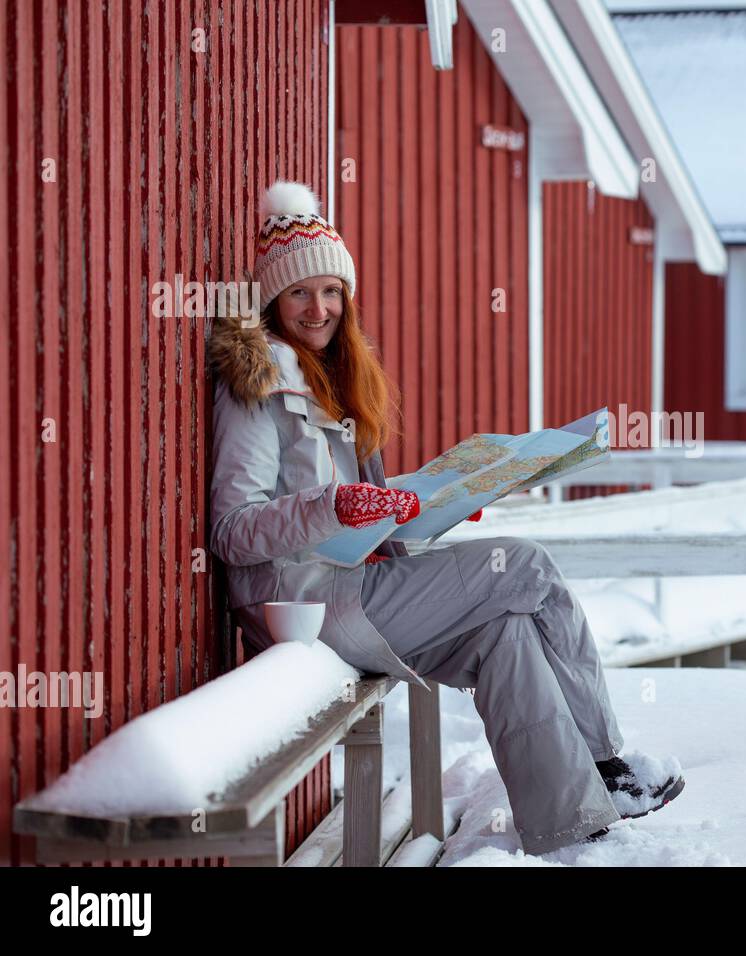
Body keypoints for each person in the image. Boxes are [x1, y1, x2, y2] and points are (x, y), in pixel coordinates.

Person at [207, 180, 684, 855]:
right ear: (274, 300)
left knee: (507, 632)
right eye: (300, 293)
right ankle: (608, 760)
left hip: (360, 590)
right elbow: (233, 530)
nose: (319, 308)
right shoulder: (258, 384)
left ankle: (576, 829)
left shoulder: (328, 377)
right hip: (307, 606)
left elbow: (347, 509)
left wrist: (432, 503)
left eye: (332, 291)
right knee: (529, 568)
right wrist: (333, 506)